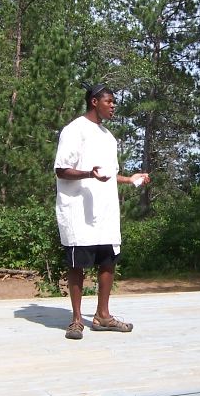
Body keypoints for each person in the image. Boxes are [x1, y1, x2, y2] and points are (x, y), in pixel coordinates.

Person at [54, 82, 150, 340]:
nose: (113, 106)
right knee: (77, 265)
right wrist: (88, 174)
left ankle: (102, 316)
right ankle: (76, 320)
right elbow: (61, 169)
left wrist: (129, 179)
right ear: (94, 102)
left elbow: (107, 174)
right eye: (109, 101)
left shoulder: (108, 137)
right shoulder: (74, 130)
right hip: (79, 212)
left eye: (114, 102)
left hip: (105, 212)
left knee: (108, 261)